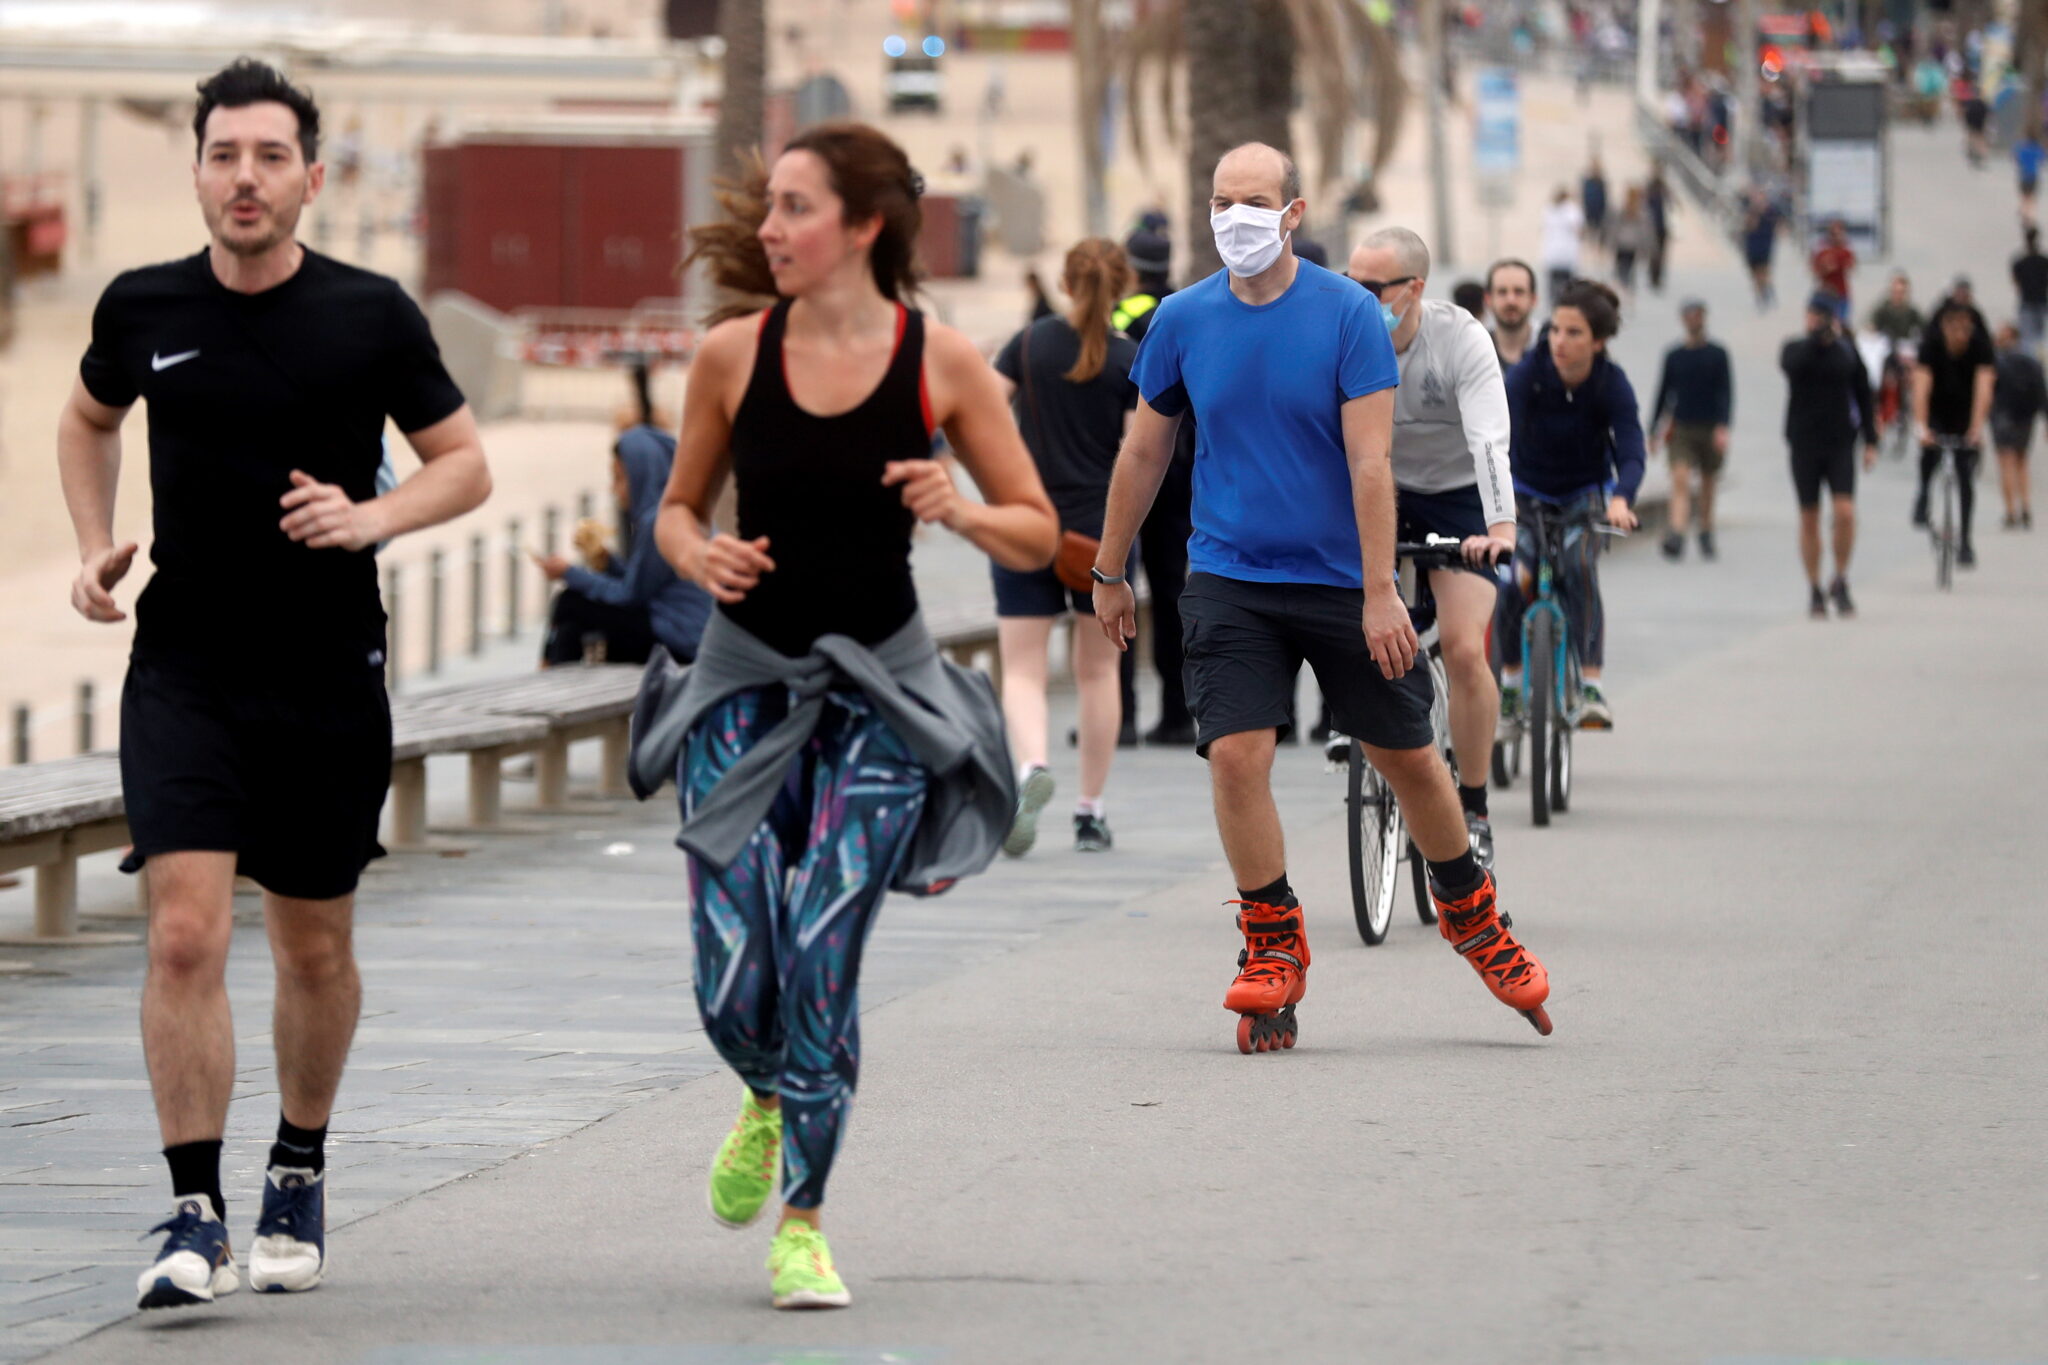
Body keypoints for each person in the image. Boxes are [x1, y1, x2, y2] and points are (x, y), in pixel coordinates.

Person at [60, 60, 490, 1310]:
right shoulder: (142, 306)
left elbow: (462, 464)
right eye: (222, 154)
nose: (243, 177)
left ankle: (296, 1163)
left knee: (312, 948)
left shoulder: (370, 315)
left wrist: (374, 516)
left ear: (310, 175)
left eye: (268, 156)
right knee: (184, 931)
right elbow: (87, 419)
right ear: (196, 170)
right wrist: (95, 539)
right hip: (184, 660)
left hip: (324, 669)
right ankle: (191, 1212)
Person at [652, 121, 1058, 1310]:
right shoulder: (731, 354)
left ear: (863, 226)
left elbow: (1036, 525)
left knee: (823, 957)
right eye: (768, 207)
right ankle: (766, 1090)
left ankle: (805, 1223)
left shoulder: (942, 362)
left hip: (881, 691)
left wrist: (963, 510)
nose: (769, 229)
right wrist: (699, 554)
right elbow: (674, 512)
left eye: (793, 208)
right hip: (741, 680)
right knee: (731, 977)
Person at [1093, 142, 1553, 1054]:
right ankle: (1272, 940)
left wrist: (1383, 591)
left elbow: (1370, 459)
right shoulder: (1181, 320)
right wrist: (1109, 572)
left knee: (1412, 760)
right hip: (1228, 577)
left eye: (1254, 201)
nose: (1235, 217)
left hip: (1344, 579)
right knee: (1235, 755)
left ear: (1294, 211)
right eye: (1222, 200)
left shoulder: (1346, 313)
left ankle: (1470, 911)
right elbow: (1144, 453)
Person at [1348, 226, 1515, 868]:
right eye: (1349, 283)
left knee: (1467, 649)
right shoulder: (1341, 332)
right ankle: (1353, 720)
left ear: (1414, 289)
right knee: (1348, 615)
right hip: (1378, 486)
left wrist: (1499, 528)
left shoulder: (1461, 338)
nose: (1357, 297)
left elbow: (1490, 442)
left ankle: (1471, 803)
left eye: (1372, 287)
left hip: (1457, 495)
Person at [992, 238, 1137, 854]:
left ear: (1066, 280)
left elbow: (984, 419)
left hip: (1026, 526)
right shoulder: (1132, 358)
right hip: (1098, 538)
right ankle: (1090, 811)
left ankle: (1031, 767)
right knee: (1098, 672)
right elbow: (1137, 457)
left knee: (1022, 668)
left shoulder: (1026, 345)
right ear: (1121, 286)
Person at [1497, 280, 1644, 733]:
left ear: (1598, 342)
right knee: (1512, 582)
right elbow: (1494, 432)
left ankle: (1593, 687)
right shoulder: (1528, 374)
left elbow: (1632, 449)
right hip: (1525, 492)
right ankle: (1511, 684)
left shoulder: (1610, 382)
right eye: (1556, 330)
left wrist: (1622, 498)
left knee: (1580, 568)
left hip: (1583, 495)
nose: (1560, 341)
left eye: (1574, 333)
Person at [533, 393, 711, 666]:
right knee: (577, 617)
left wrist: (569, 573)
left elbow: (631, 595)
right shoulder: (680, 510)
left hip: (679, 640)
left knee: (571, 602)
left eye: (619, 478)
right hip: (679, 631)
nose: (614, 489)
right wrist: (606, 561)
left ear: (642, 474)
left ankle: (547, 678)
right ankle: (554, 682)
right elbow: (643, 584)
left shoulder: (661, 520)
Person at [1115, 221, 1198, 746]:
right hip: (1183, 469)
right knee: (1171, 593)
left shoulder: (1121, 316)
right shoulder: (1187, 310)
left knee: (1114, 583)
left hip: (1136, 463)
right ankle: (1175, 712)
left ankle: (1118, 716)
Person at [1780, 291, 1880, 617]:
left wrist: (1871, 440)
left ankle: (1840, 576)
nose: (1815, 321)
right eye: (1811, 315)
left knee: (1845, 511)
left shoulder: (1846, 353)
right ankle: (1814, 586)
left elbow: (1864, 395)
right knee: (1809, 516)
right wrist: (1815, 340)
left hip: (1839, 443)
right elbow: (1792, 366)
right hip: (1804, 444)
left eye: (1821, 316)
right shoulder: (1796, 349)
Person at [1913, 298, 1998, 566]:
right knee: (1929, 454)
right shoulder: (1930, 347)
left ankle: (1965, 541)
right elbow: (1920, 389)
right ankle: (1924, 493)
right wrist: (1921, 427)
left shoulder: (1981, 348)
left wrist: (1976, 429)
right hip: (1937, 409)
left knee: (1964, 474)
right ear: (1944, 328)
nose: (1961, 335)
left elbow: (1984, 389)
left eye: (1966, 329)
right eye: (1955, 329)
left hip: (1964, 412)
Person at [1648, 299, 1733, 561]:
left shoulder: (1718, 354)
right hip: (1682, 427)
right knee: (1680, 480)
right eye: (1689, 315)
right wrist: (1653, 430)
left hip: (1710, 427)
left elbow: (1726, 392)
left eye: (1698, 315)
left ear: (1704, 318)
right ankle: (1677, 533)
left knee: (1708, 483)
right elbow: (1663, 392)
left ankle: (1706, 531)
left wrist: (1723, 426)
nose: (1693, 320)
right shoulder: (1674, 356)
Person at [1991, 320, 2043, 528]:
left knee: (2006, 463)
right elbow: (2041, 391)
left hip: (2003, 415)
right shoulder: (2032, 360)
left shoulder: (1997, 360)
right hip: (2025, 417)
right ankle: (2026, 506)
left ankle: (2011, 510)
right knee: (2022, 462)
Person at [1485, 257, 1539, 370]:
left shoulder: (1550, 349)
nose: (1511, 300)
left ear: (1533, 299)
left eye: (1519, 291)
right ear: (1488, 299)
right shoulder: (1475, 351)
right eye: (1502, 292)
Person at [1540, 186, 1584, 303]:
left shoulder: (1548, 210)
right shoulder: (1572, 210)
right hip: (1568, 254)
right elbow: (1579, 230)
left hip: (1552, 254)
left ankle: (1554, 307)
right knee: (1567, 287)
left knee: (1553, 287)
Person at [1742, 187, 1783, 310]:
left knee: (1764, 272)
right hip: (1753, 247)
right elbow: (1748, 227)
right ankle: (1762, 294)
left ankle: (1765, 293)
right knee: (1756, 275)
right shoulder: (1750, 212)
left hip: (1765, 246)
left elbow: (1779, 225)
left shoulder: (1771, 212)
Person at [1810, 219, 1856, 323]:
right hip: (1826, 293)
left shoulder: (1846, 249)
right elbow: (1814, 268)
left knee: (1841, 324)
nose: (1837, 236)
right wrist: (1825, 268)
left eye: (1839, 233)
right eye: (1834, 233)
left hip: (1841, 293)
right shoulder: (1822, 249)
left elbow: (1851, 266)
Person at [1608, 185, 1651, 294]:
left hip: (1621, 241)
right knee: (1629, 266)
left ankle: (1622, 285)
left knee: (1620, 265)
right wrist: (1645, 245)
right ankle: (1627, 286)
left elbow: (1615, 226)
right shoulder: (1641, 210)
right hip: (1633, 243)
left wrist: (1611, 240)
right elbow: (1644, 230)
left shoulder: (1622, 208)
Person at [2012, 228, 2048, 354]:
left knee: (2027, 342)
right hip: (2041, 301)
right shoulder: (2044, 261)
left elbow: (2016, 283)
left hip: (2027, 302)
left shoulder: (2020, 262)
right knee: (2042, 338)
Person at [1643, 167, 1672, 293]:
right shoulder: (1650, 191)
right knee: (1654, 253)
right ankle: (1653, 276)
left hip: (1662, 227)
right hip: (1652, 227)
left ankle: (1657, 276)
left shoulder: (1664, 190)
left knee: (1660, 254)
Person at [1580, 153, 1608, 255]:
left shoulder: (1601, 182)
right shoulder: (1587, 182)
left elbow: (1604, 199)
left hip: (1599, 213)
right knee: (1590, 237)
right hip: (1589, 212)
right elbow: (1584, 197)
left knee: (1598, 236)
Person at [2016, 128, 2045, 226]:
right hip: (2034, 176)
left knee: (2024, 197)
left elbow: (2017, 159)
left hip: (2024, 175)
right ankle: (2031, 218)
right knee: (2032, 198)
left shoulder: (2022, 148)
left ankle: (2024, 213)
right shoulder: (2037, 148)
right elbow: (2042, 160)